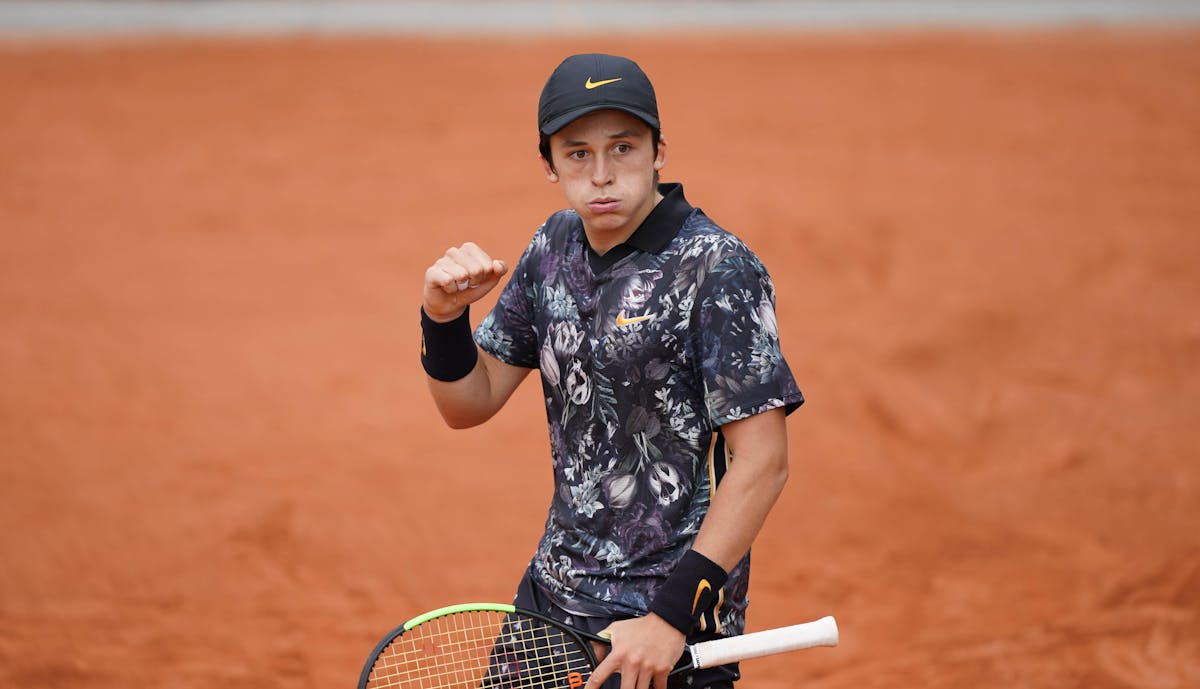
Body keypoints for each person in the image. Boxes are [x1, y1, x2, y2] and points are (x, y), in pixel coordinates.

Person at [419, 53, 804, 689]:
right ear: (549, 164)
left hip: (663, 621)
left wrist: (671, 617)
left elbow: (764, 461)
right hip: (552, 602)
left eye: (623, 148)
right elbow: (469, 402)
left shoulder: (716, 268)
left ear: (659, 151)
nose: (602, 176)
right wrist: (442, 321)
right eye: (577, 154)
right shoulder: (553, 247)